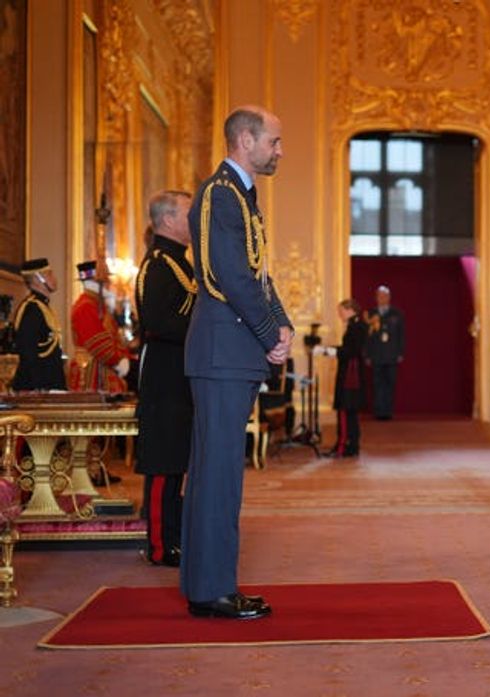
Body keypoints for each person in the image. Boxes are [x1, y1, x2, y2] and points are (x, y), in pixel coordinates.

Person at [182, 106, 293, 620]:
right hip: (223, 352)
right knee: (218, 474)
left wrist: (282, 323)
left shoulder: (243, 198)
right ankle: (211, 591)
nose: (279, 150)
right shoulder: (220, 194)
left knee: (222, 472)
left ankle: (212, 585)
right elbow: (226, 274)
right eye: (273, 141)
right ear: (245, 139)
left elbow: (258, 274)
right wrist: (270, 335)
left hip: (234, 352)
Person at [134, 190, 195, 568]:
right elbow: (156, 322)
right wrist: (201, 330)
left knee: (176, 464)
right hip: (163, 381)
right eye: (190, 213)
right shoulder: (158, 264)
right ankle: (159, 545)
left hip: (180, 378)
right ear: (169, 220)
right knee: (162, 464)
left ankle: (175, 537)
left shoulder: (180, 264)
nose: (195, 220)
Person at [67, 260, 131, 393]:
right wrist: (118, 360)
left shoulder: (96, 304)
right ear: (96, 283)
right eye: (106, 281)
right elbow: (98, 344)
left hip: (102, 368)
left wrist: (123, 356)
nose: (109, 284)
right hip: (90, 373)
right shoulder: (85, 306)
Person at [10, 258, 66, 391]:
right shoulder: (31, 309)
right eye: (49, 274)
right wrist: (39, 389)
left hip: (50, 384)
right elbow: (28, 353)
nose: (54, 278)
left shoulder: (43, 307)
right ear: (37, 279)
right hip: (37, 388)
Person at [323, 299, 367, 457]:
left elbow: (351, 351)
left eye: (341, 311)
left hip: (350, 375)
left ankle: (344, 446)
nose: (339, 314)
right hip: (352, 373)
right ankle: (351, 445)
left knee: (345, 410)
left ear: (350, 310)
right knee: (350, 412)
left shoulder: (356, 327)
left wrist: (331, 352)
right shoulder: (357, 325)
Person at [365, 285, 404, 420]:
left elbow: (401, 335)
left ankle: (388, 412)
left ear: (389, 298)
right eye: (379, 296)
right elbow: (367, 336)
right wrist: (367, 354)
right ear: (376, 298)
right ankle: (379, 412)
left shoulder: (397, 314)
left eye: (384, 296)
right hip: (376, 354)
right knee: (377, 384)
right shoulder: (370, 314)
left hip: (391, 355)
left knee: (390, 383)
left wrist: (400, 352)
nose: (381, 298)